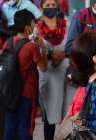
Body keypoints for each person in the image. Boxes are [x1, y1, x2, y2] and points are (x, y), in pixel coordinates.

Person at [2, 9, 47, 140]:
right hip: (26, 93)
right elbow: (43, 68)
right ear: (27, 28)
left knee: (9, 127)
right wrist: (42, 47)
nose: (35, 27)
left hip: (9, 91)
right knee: (25, 128)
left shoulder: (9, 42)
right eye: (33, 24)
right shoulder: (31, 47)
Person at [36, 0, 69, 140]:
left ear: (58, 7)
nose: (50, 8)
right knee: (49, 114)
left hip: (65, 72)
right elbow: (34, 47)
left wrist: (62, 54)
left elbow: (71, 43)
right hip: (47, 72)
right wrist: (50, 54)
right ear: (41, 7)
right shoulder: (36, 27)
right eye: (47, 5)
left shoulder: (65, 23)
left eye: (53, 5)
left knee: (66, 111)